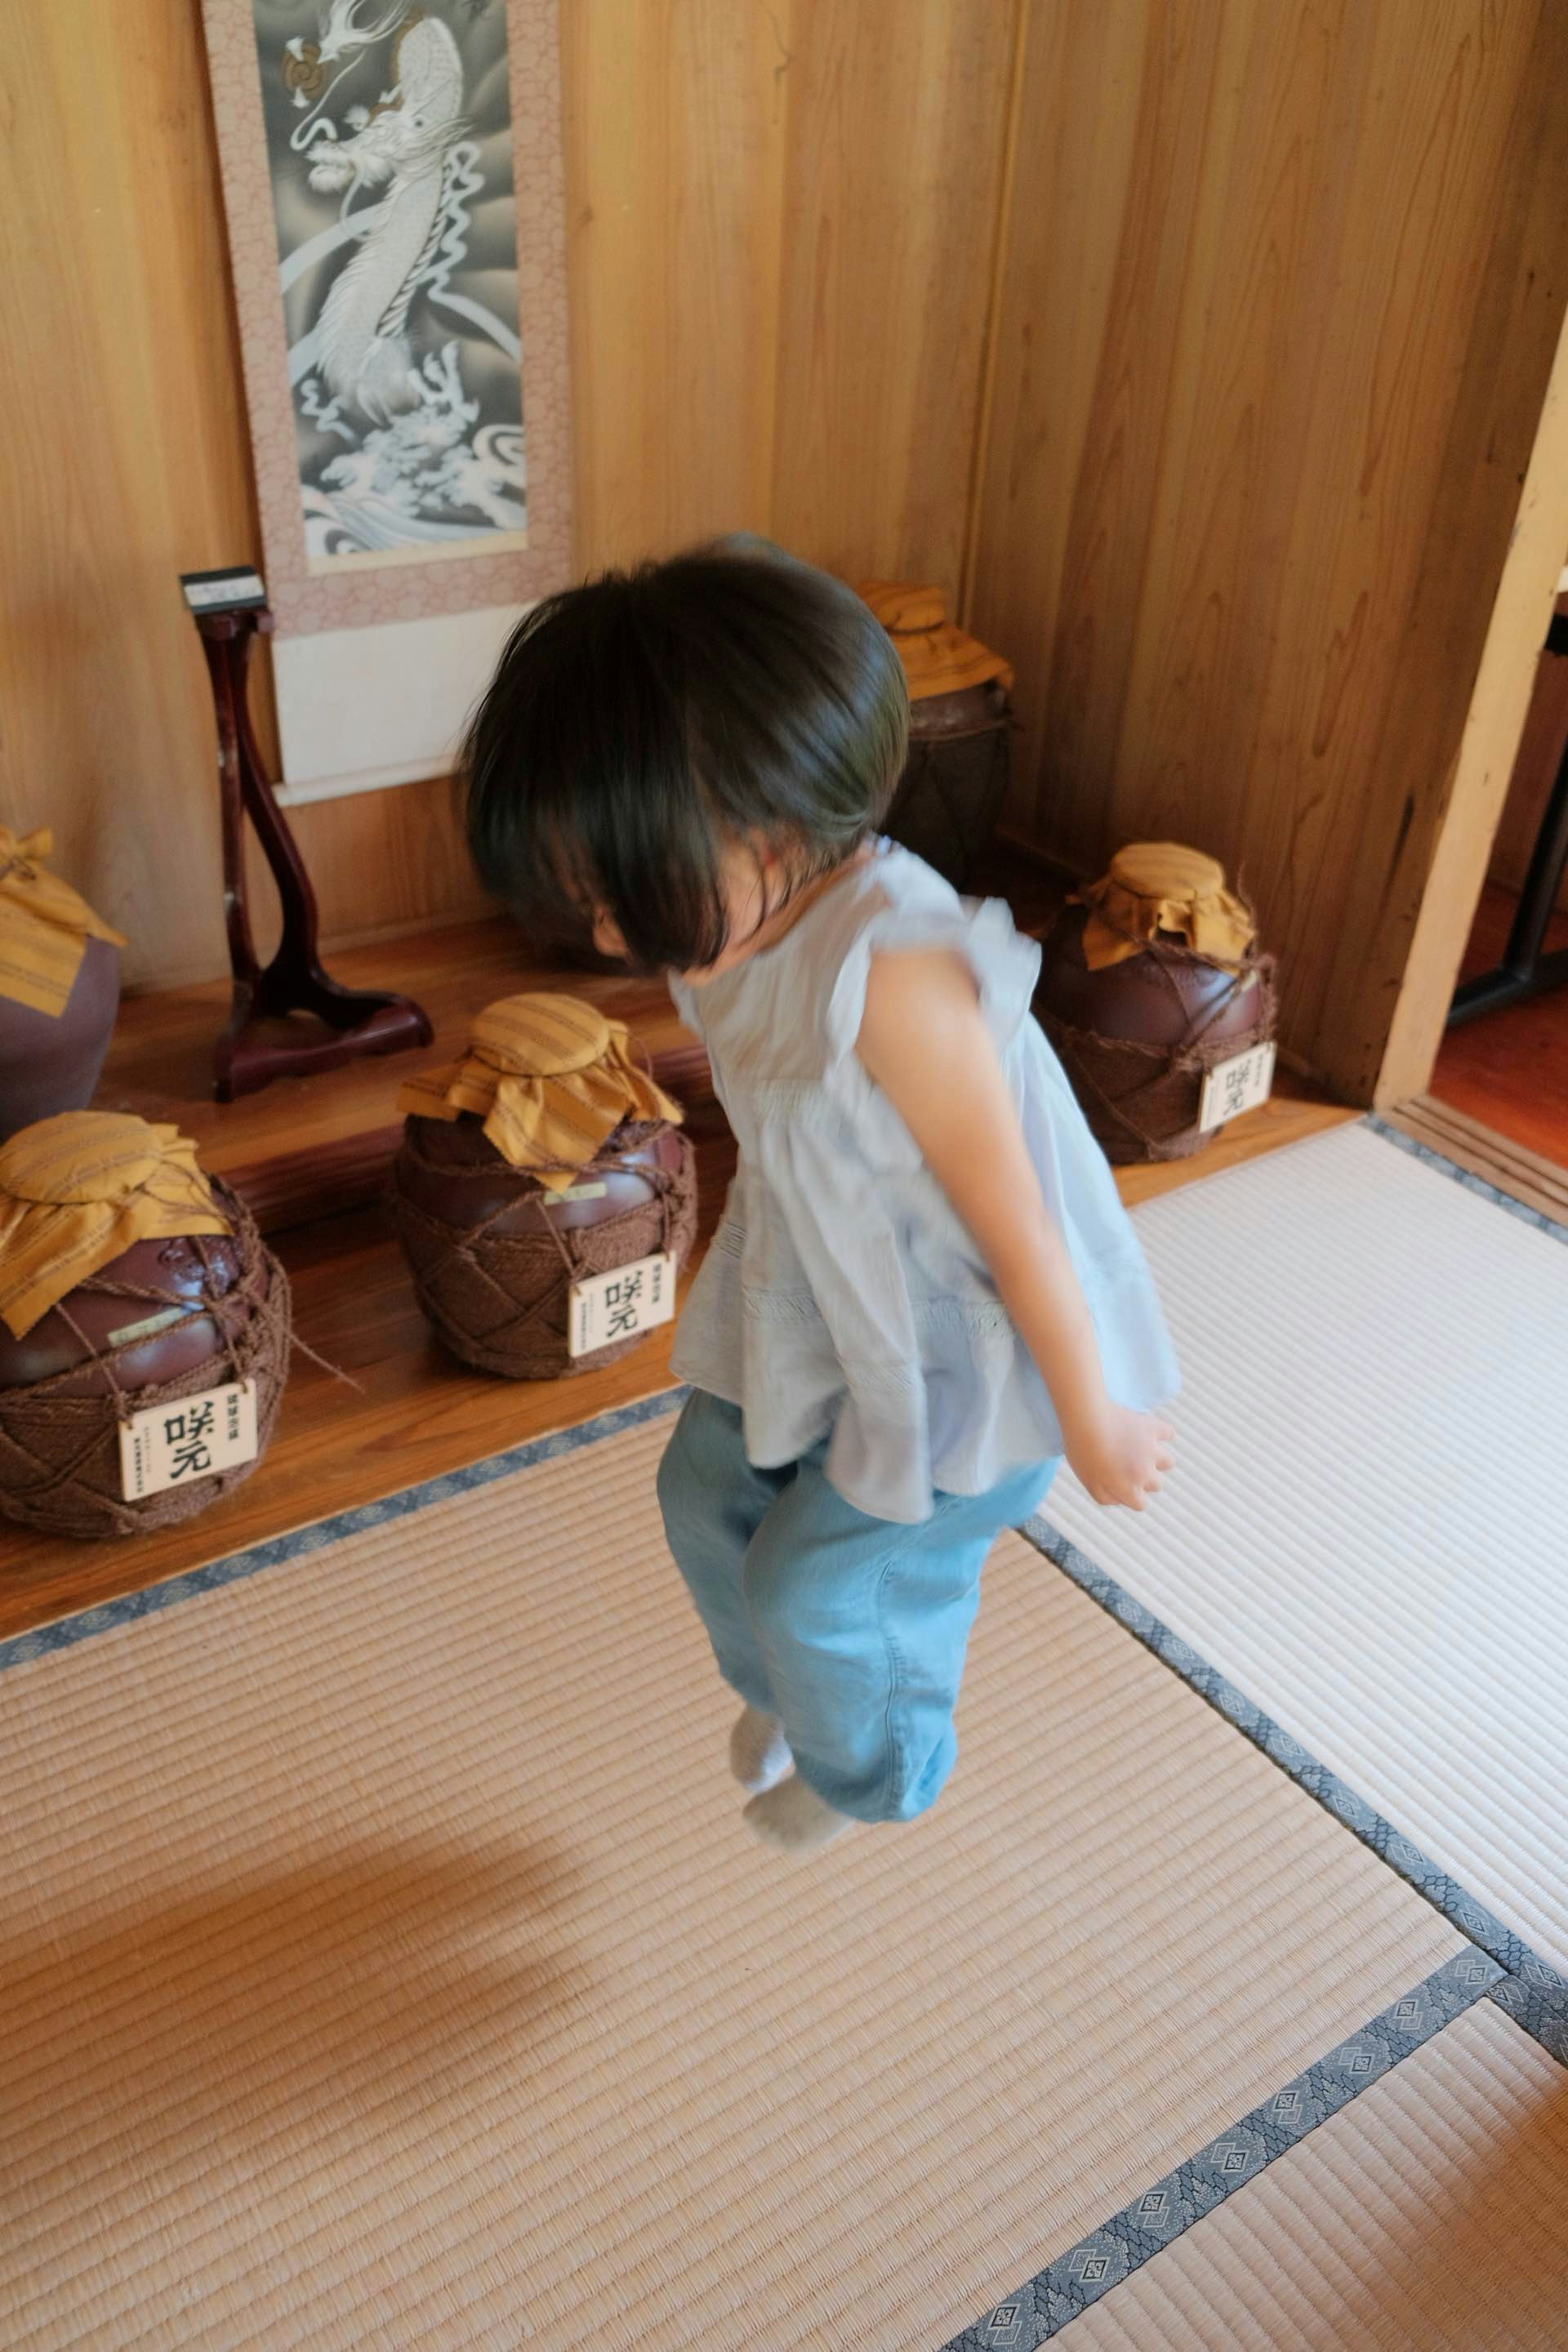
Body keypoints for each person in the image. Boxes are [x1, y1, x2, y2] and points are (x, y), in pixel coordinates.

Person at [464, 537, 1179, 1854]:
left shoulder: (897, 978)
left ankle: (874, 1770)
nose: (609, 932)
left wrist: (1094, 1413)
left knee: (815, 1586)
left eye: (619, 889)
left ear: (769, 825)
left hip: (969, 1347)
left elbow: (1019, 1227)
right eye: (583, 900)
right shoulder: (733, 921)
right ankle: (795, 1706)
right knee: (699, 1494)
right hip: (824, 1291)